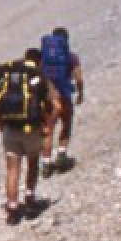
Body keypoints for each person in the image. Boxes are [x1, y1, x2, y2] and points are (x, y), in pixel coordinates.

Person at [0, 48, 57, 225]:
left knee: (12, 169)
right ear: (39, 61)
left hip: (10, 130)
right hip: (32, 130)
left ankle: (12, 208)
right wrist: (48, 127)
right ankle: (29, 197)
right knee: (32, 163)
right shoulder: (39, 79)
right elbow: (54, 106)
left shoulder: (9, 79)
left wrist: (0, 124)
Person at [38, 26, 84, 175]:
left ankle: (46, 163)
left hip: (49, 99)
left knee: (48, 130)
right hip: (64, 95)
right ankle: (61, 155)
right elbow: (78, 78)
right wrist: (80, 92)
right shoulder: (71, 57)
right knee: (66, 123)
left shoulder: (44, 58)